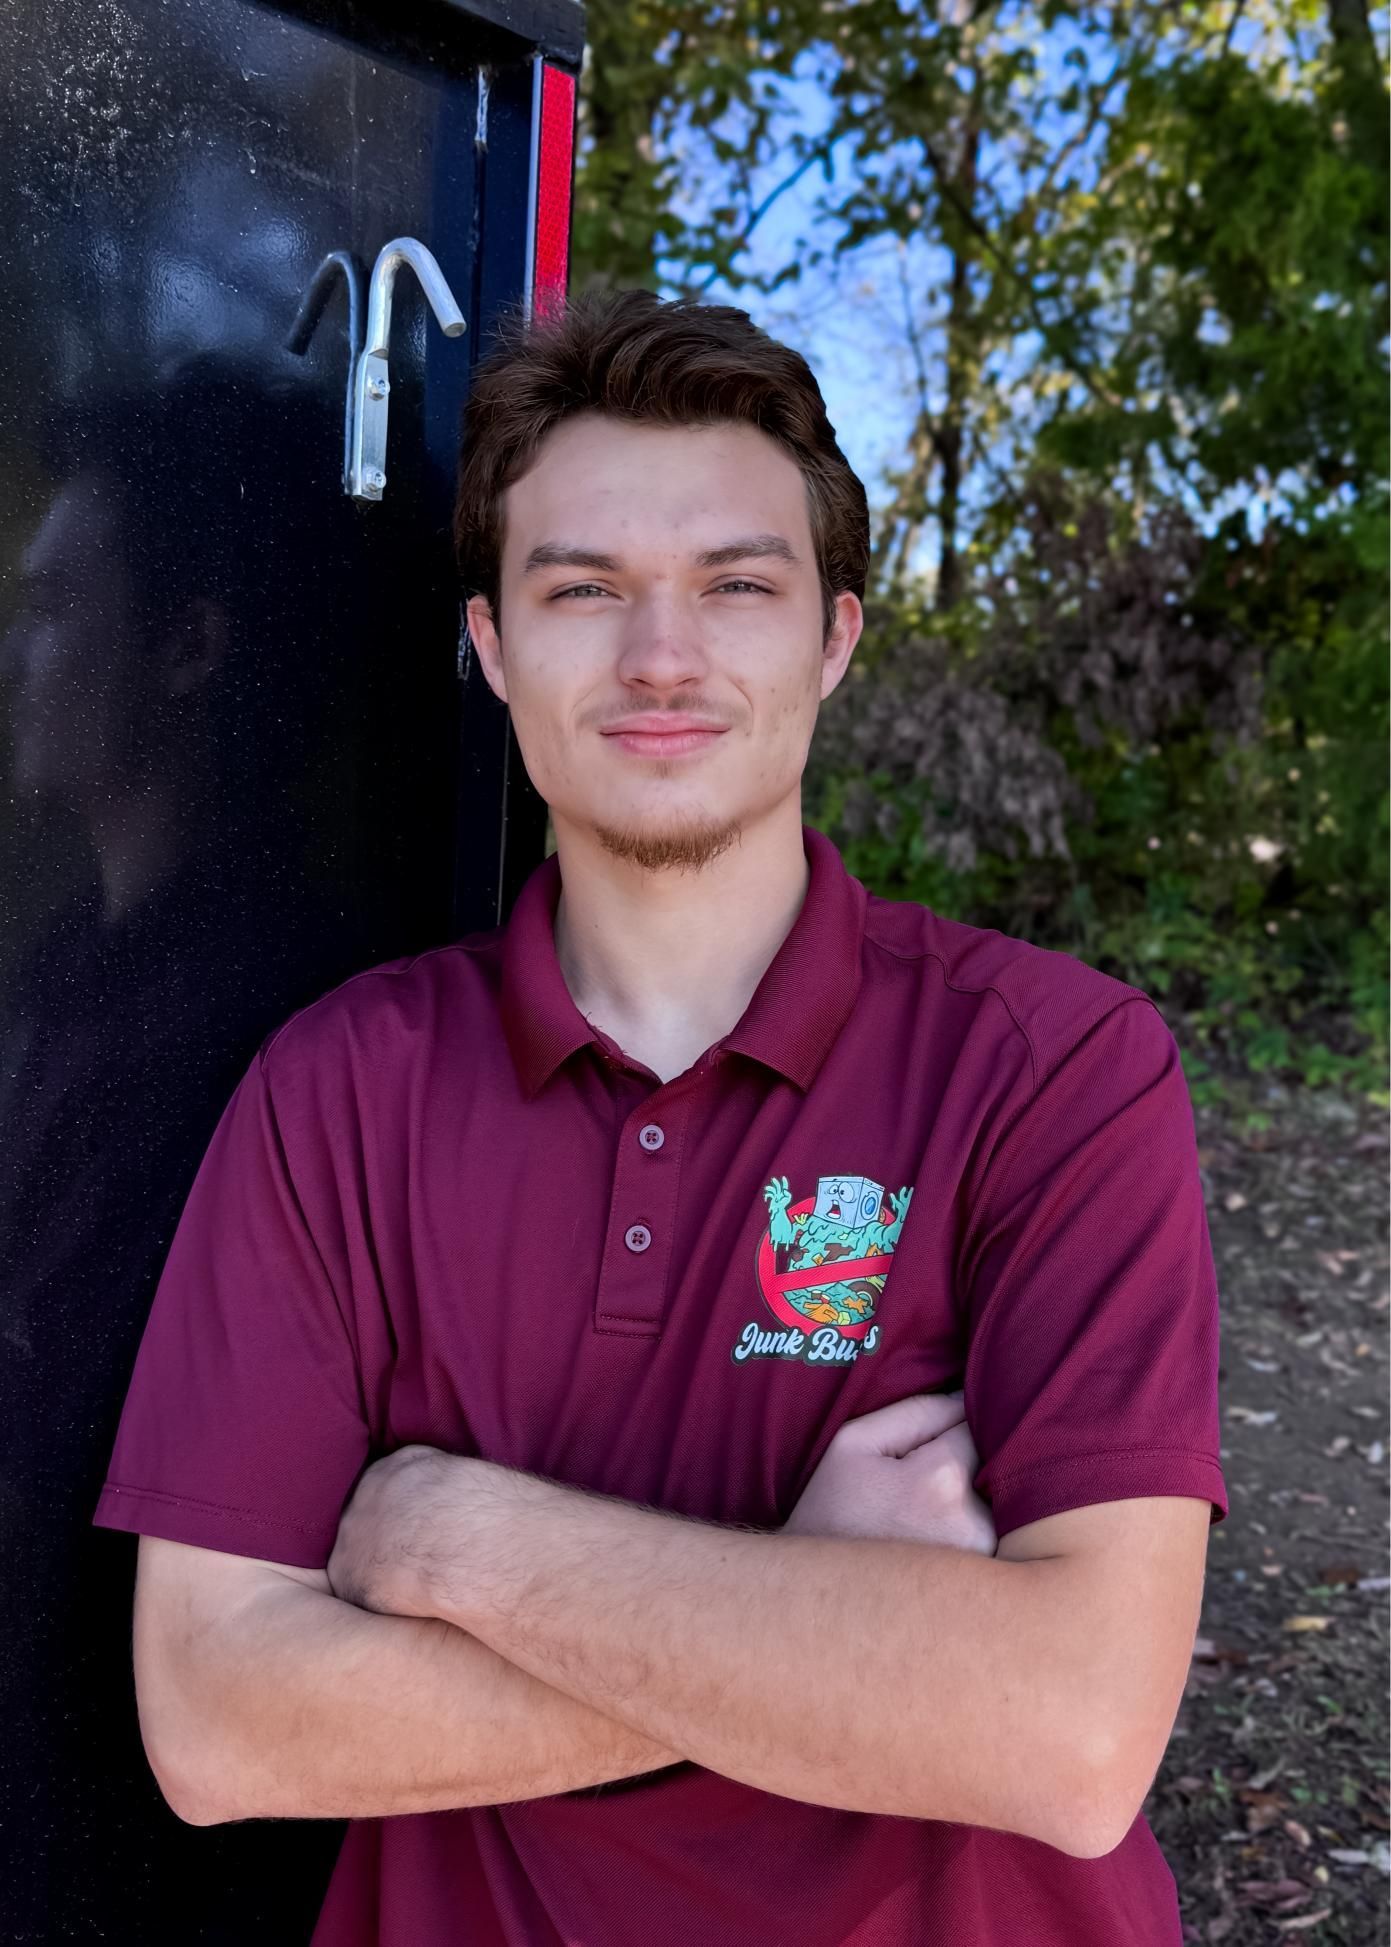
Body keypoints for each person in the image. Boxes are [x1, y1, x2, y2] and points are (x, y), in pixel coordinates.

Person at [92, 289, 1227, 1947]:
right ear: (489, 645)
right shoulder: (340, 1088)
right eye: (583, 589)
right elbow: (215, 1723)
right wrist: (833, 1603)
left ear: (836, 636)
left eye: (736, 586)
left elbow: (1064, 1738)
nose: (662, 657)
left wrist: (459, 1539)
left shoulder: (1056, 1072)